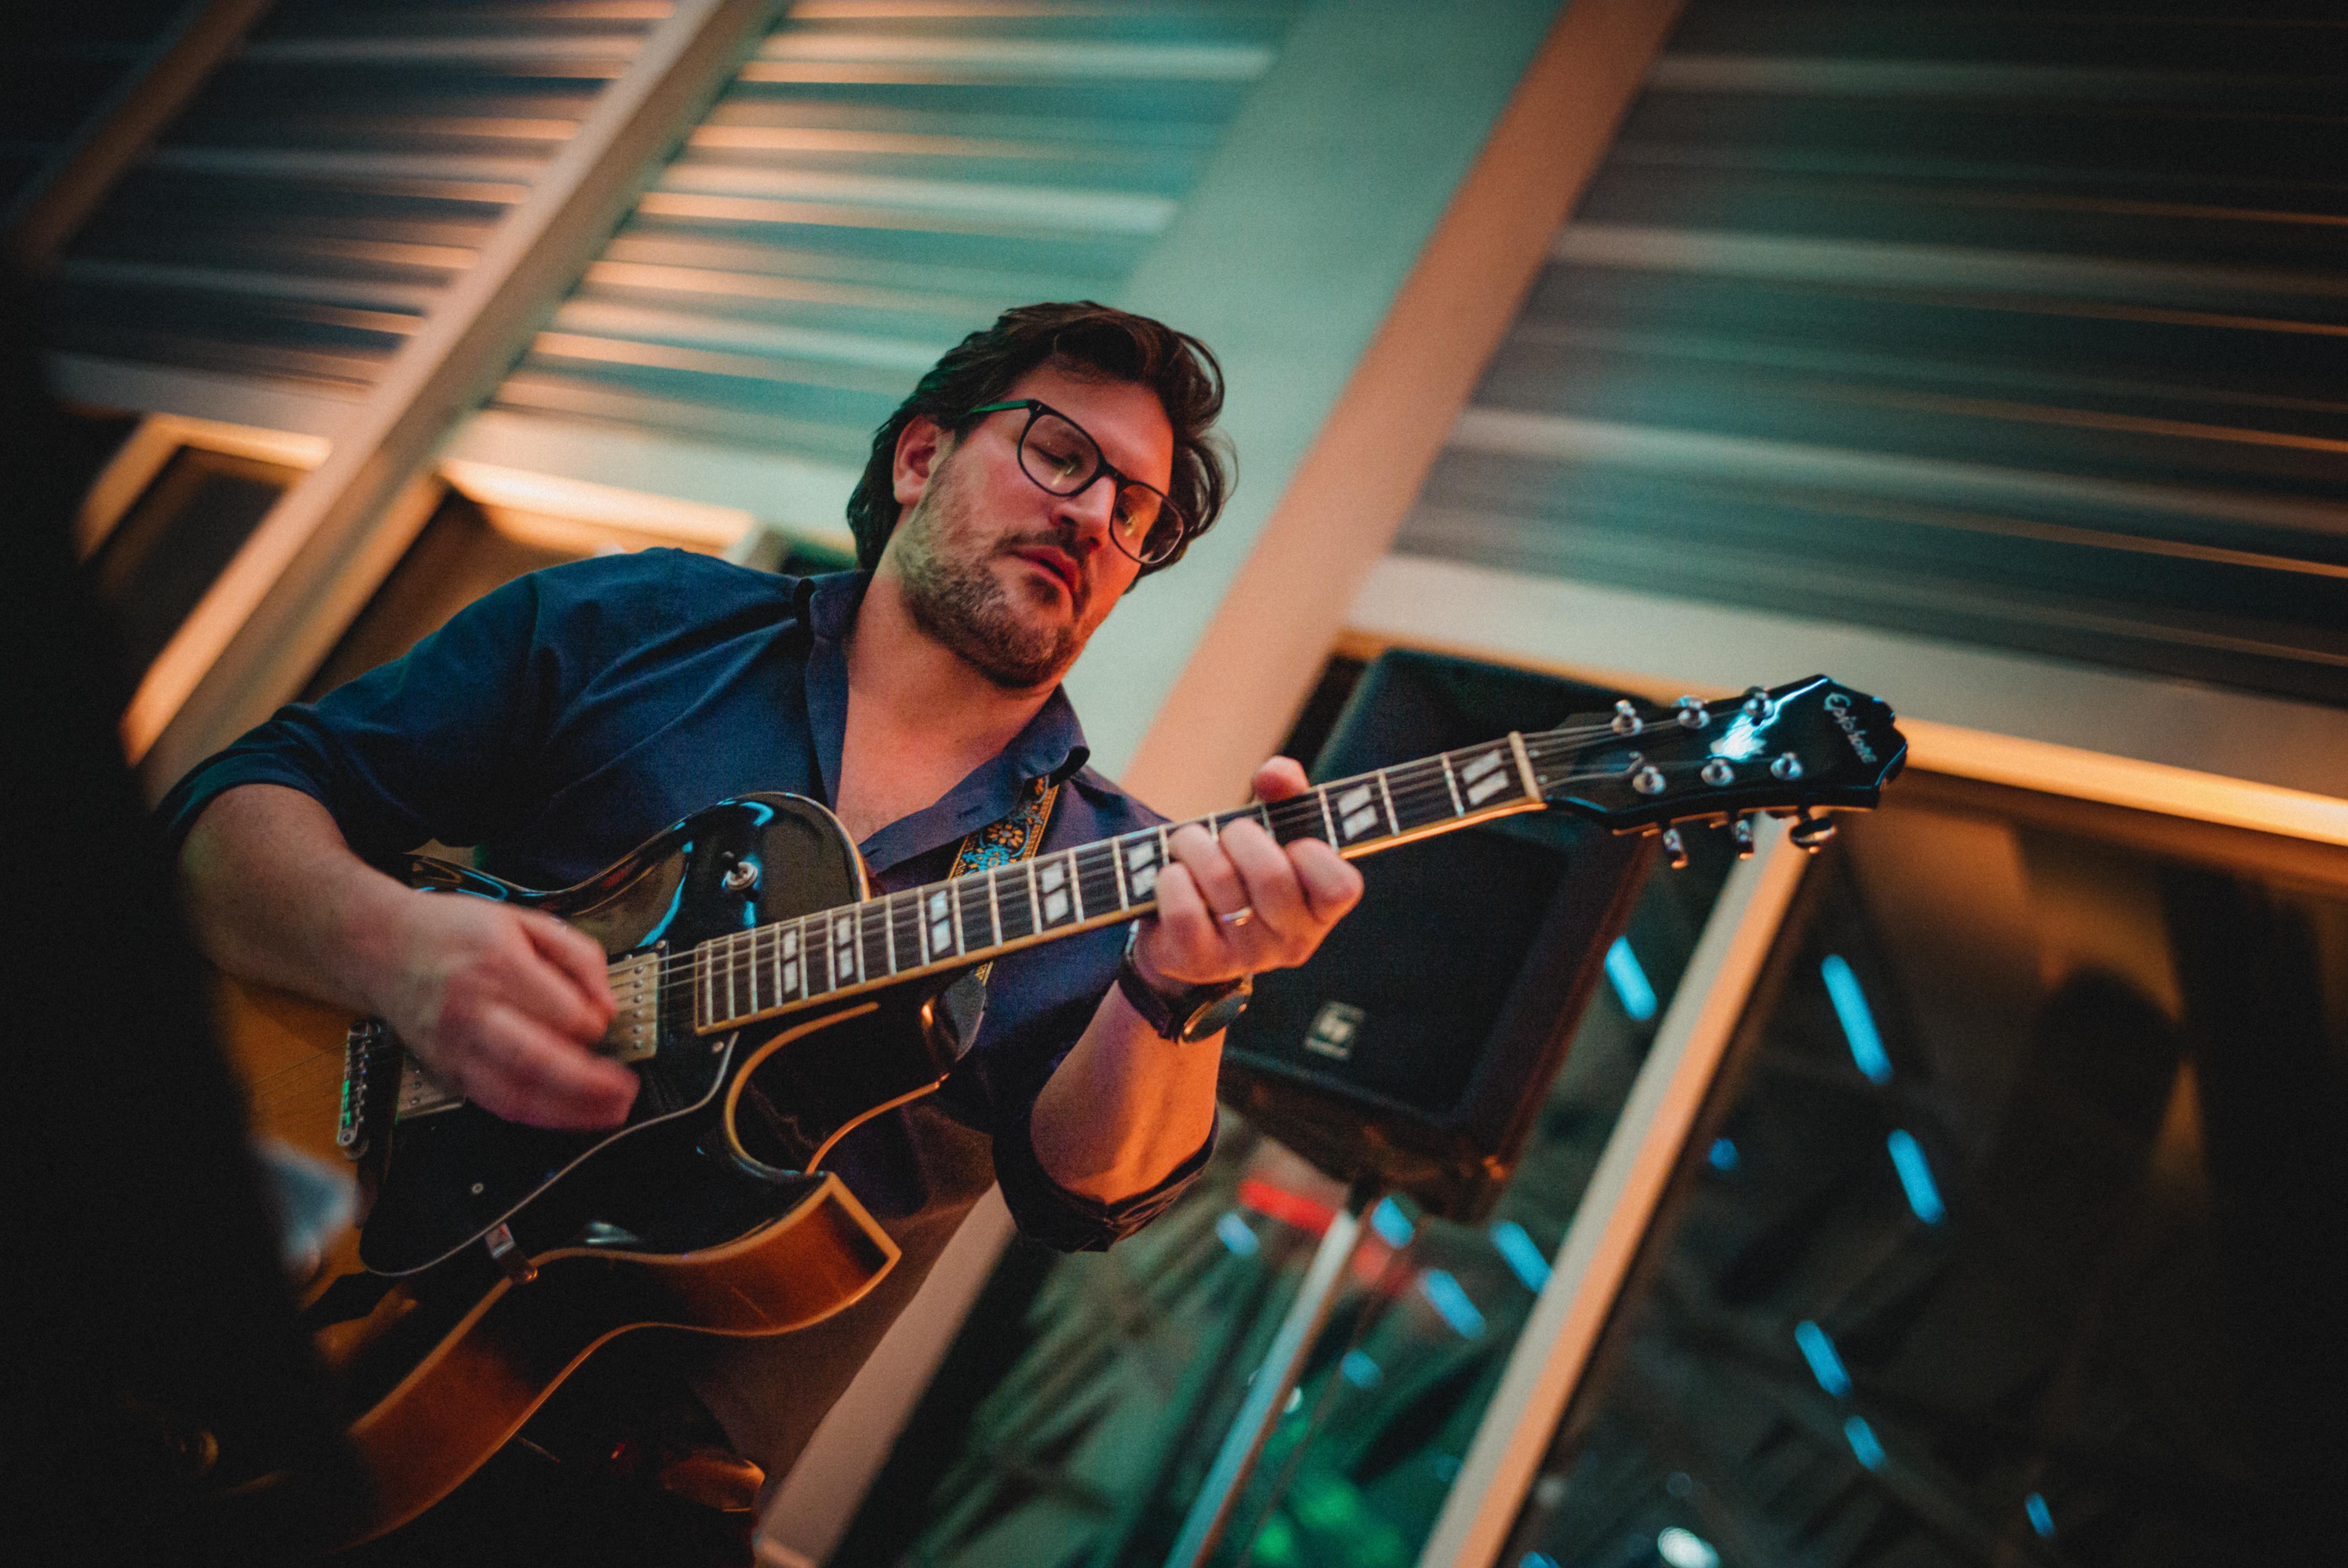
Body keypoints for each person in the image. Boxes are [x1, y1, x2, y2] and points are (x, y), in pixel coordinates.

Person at [162, 302, 1364, 1562]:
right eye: (1062, 456)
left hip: (622, 1510)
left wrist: (1179, 990)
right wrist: (394, 950)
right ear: (921, 458)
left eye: (1136, 514)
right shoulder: (639, 623)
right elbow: (223, 815)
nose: (1094, 517)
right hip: (298, 1302)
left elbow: (1090, 1196)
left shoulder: (1109, 869)